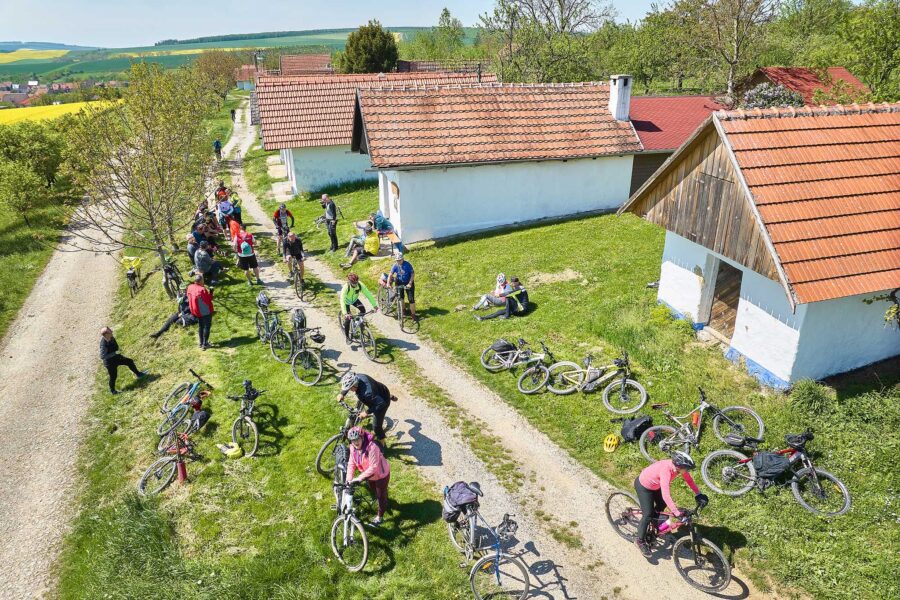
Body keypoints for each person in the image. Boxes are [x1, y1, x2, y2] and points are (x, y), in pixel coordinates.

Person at [633, 451, 709, 558]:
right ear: (679, 466)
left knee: (661, 505)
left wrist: (698, 494)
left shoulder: (678, 468)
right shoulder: (666, 471)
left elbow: (689, 480)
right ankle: (639, 540)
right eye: (687, 469)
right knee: (648, 514)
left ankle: (654, 523)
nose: (687, 471)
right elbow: (666, 495)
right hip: (644, 487)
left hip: (655, 486)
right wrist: (676, 512)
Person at [346, 425, 391, 526]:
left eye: (357, 439)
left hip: (381, 475)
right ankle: (384, 494)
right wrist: (349, 479)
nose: (356, 442)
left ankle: (380, 517)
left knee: (380, 497)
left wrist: (359, 478)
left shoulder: (372, 447)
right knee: (373, 489)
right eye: (353, 440)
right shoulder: (353, 448)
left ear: (362, 437)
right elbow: (351, 464)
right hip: (369, 476)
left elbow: (374, 467)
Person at [338, 372, 394, 442]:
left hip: (382, 400)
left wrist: (367, 412)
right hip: (377, 390)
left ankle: (382, 443)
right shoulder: (357, 377)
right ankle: (382, 395)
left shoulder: (367, 393)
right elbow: (349, 382)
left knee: (376, 427)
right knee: (366, 398)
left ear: (355, 384)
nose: (350, 390)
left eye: (350, 389)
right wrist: (342, 393)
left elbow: (381, 404)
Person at [99, 327, 147, 394]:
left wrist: (117, 353)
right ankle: (113, 391)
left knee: (129, 361)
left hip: (117, 358)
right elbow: (102, 356)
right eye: (110, 331)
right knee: (113, 377)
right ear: (106, 334)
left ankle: (138, 374)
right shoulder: (103, 344)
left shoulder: (111, 337)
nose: (112, 331)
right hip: (110, 363)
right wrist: (114, 353)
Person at [340, 273, 377, 341]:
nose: (355, 284)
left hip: (354, 300)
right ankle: (347, 337)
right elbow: (342, 300)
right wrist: (345, 313)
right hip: (346, 302)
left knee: (363, 311)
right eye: (354, 283)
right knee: (348, 320)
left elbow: (368, 294)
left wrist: (374, 305)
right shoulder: (346, 287)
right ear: (350, 282)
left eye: (356, 282)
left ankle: (356, 323)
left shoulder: (360, 285)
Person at [186, 274, 215, 350]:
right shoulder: (202, 289)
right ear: (201, 280)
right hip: (204, 311)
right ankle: (205, 344)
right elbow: (208, 300)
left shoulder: (190, 287)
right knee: (207, 326)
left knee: (201, 326)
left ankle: (201, 342)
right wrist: (211, 292)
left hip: (195, 311)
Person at [388, 252, 416, 321]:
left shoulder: (407, 265)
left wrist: (410, 283)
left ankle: (413, 314)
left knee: (411, 299)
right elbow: (390, 274)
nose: (398, 261)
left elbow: (412, 274)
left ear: (403, 259)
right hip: (399, 282)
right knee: (401, 297)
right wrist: (388, 283)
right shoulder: (395, 265)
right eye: (397, 260)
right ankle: (403, 310)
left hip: (408, 281)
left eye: (400, 260)